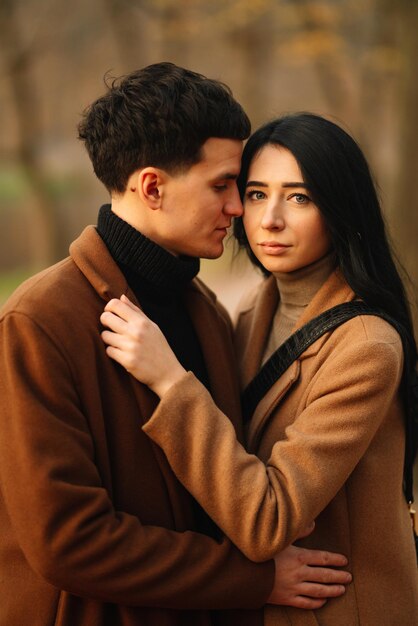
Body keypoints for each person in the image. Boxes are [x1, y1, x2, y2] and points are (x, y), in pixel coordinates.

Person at [0, 69, 351, 626]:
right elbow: (68, 541)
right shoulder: (40, 321)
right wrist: (252, 580)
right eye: (222, 185)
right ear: (152, 187)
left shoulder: (205, 311)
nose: (240, 209)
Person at [101, 112, 418, 625]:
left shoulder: (366, 347)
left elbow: (269, 520)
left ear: (341, 209)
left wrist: (169, 381)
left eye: (299, 197)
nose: (270, 219)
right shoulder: (252, 312)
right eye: (254, 194)